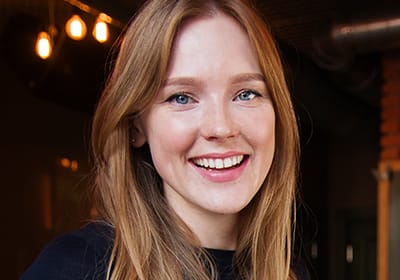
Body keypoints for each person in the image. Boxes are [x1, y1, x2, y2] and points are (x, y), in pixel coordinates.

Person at [22, 0, 308, 279]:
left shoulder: (288, 271)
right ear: (135, 127)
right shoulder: (74, 268)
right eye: (181, 97)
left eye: (246, 93)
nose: (221, 128)